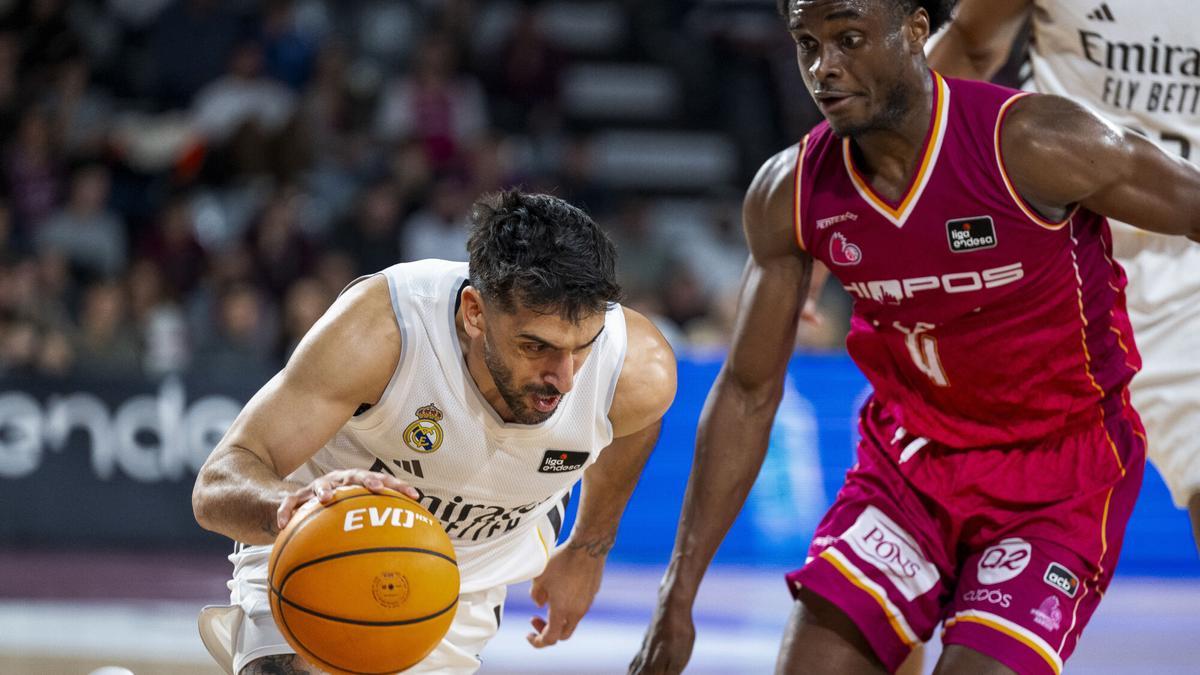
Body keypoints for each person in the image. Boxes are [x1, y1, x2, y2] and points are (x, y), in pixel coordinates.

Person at [630, 1, 1200, 674]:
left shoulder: (1033, 143)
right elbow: (749, 391)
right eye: (807, 44)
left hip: (1057, 474)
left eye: (848, 38)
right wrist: (678, 591)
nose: (824, 68)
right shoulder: (790, 190)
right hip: (911, 469)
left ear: (916, 32)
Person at [192, 190, 676, 674]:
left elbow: (634, 429)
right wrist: (292, 509)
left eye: (581, 347)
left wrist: (590, 546)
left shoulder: (636, 371)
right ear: (475, 313)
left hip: (459, 585)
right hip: (325, 541)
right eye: (536, 346)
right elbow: (219, 481)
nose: (564, 378)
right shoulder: (385, 330)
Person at [926, 0, 1200, 556]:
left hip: (1187, 242)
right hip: (1053, 248)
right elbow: (970, 47)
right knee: (926, 506)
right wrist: (840, 182)